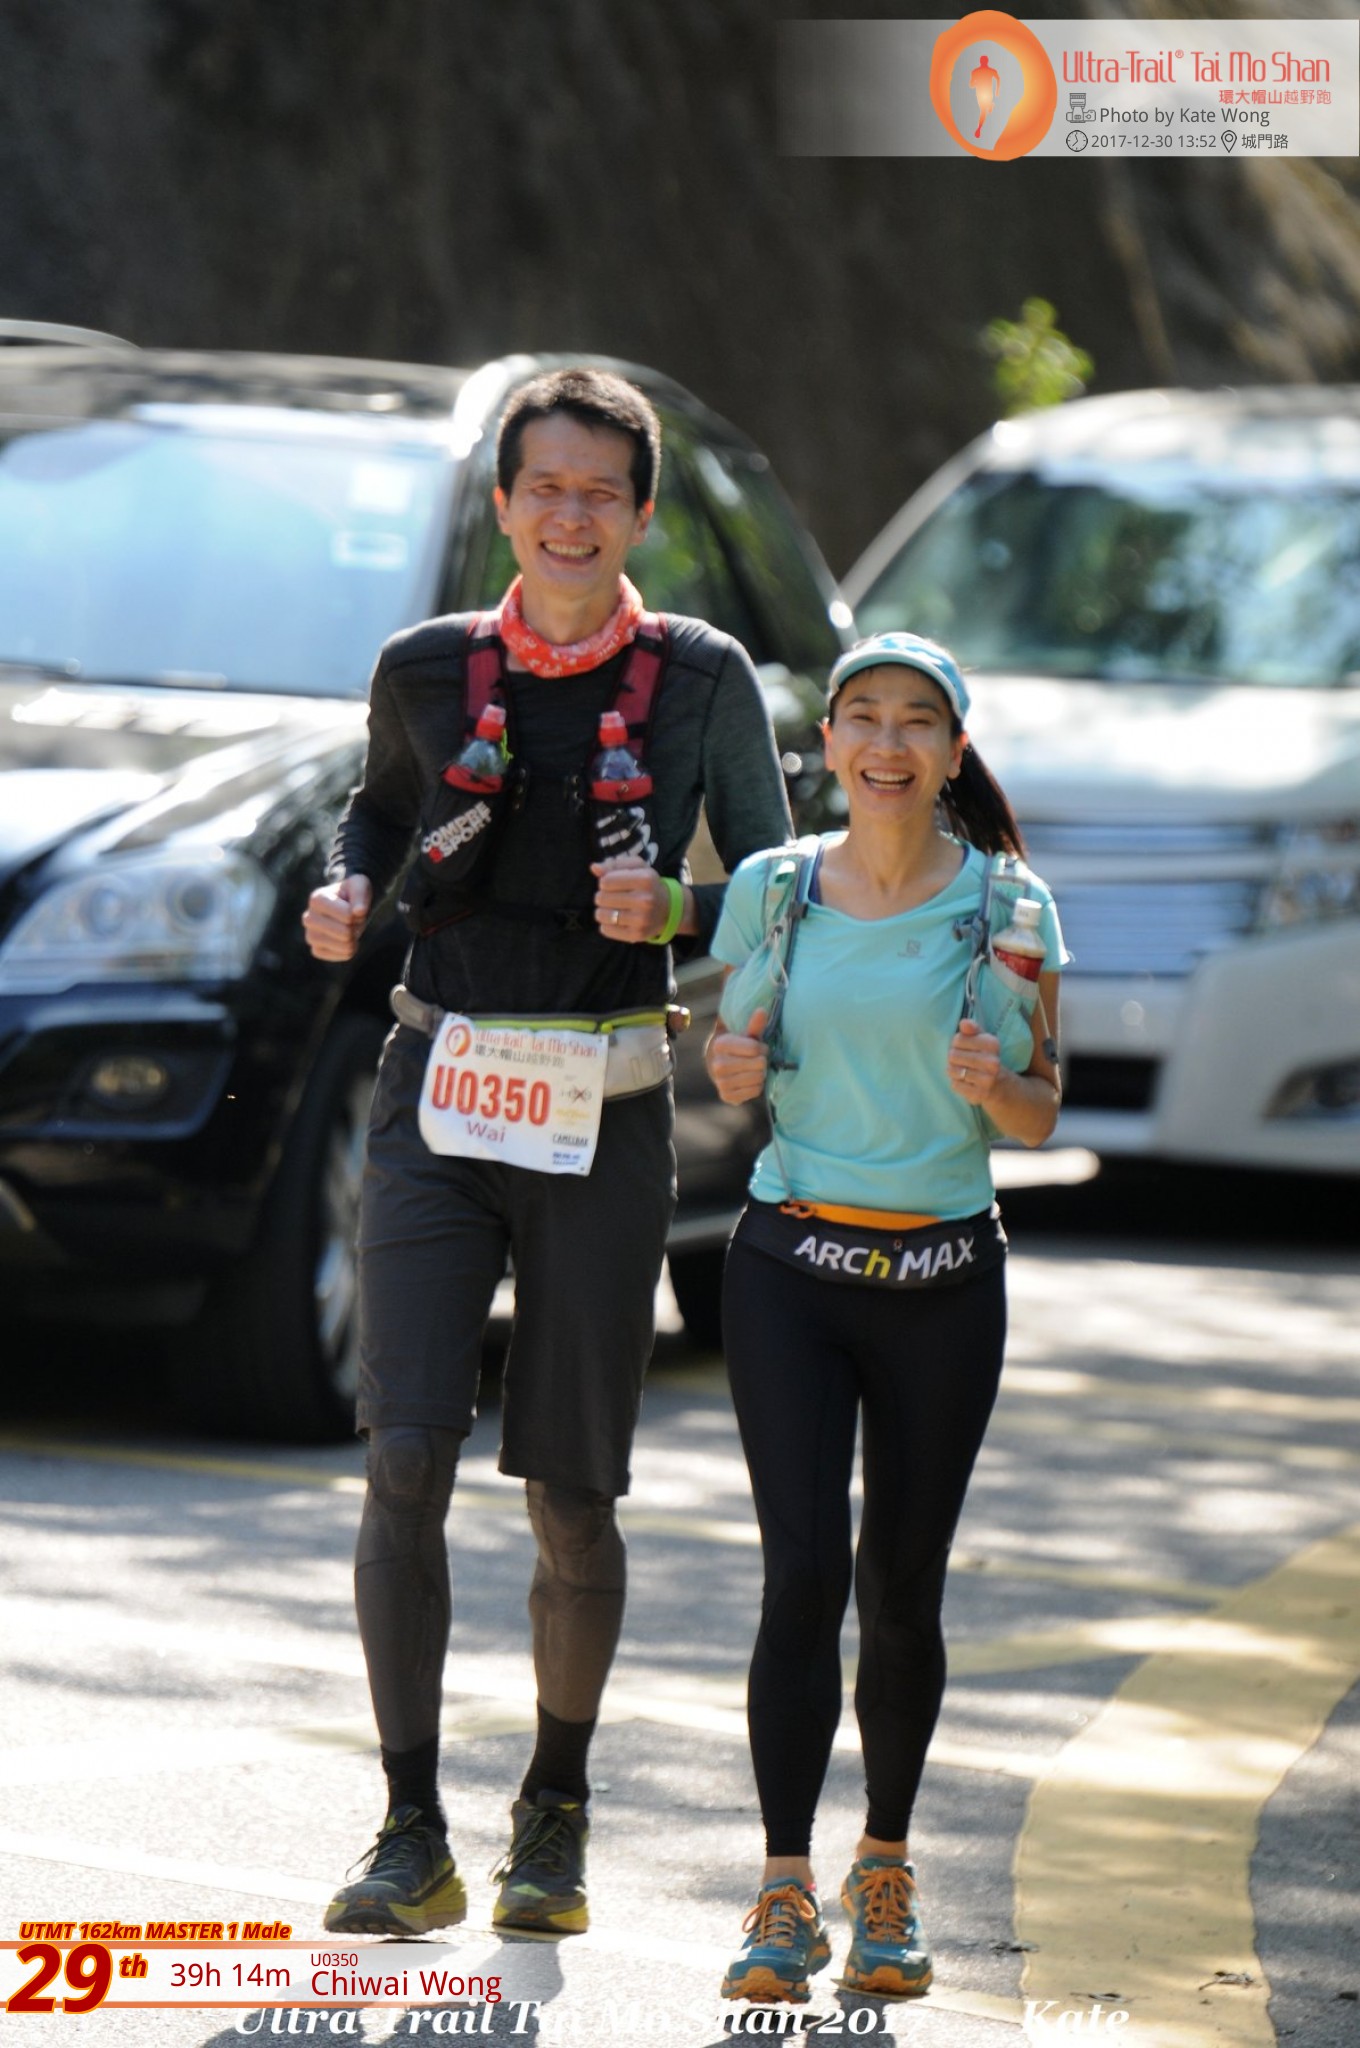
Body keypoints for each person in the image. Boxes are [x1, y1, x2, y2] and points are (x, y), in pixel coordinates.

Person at [302, 366, 792, 1938]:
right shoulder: (424, 667)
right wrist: (344, 893)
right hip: (437, 1088)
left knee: (572, 1494)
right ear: (505, 508)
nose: (571, 517)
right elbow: (378, 816)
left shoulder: (698, 676)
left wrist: (683, 909)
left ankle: (554, 1813)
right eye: (546, 490)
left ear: (640, 516)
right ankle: (408, 1830)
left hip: (603, 1106)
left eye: (601, 494)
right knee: (403, 1459)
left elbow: (779, 880)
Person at [705, 631, 1065, 2003]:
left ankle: (887, 1873)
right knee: (800, 1576)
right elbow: (733, 1049)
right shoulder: (774, 889)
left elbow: (1042, 1111)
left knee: (901, 1591)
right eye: (864, 716)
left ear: (954, 751)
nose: (889, 742)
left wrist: (995, 1086)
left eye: (920, 720)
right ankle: (782, 1892)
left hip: (943, 1285)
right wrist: (731, 1063)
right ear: (833, 743)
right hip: (790, 1269)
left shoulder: (1009, 906)